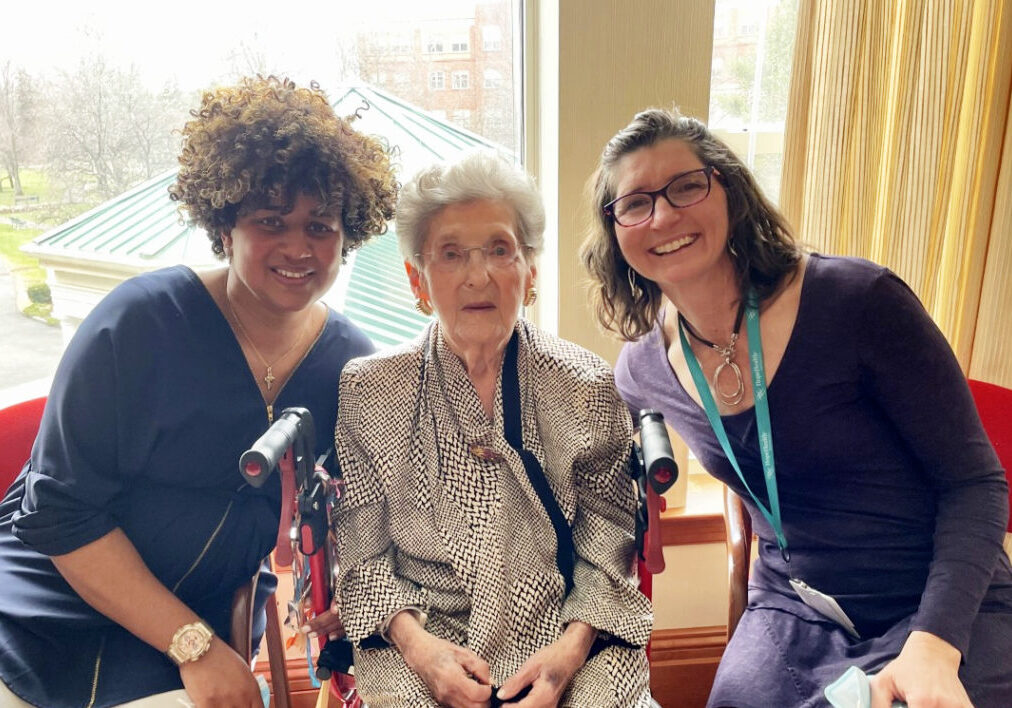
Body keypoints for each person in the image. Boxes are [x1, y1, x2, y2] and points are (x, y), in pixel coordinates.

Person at [580, 106, 1012, 708]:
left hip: (936, 599)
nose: (664, 216)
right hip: (796, 604)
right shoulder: (643, 369)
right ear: (615, 231)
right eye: (635, 203)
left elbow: (976, 483)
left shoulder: (859, 301)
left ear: (729, 190)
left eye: (686, 186)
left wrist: (935, 644)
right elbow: (591, 472)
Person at [0, 75, 397, 708]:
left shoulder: (350, 363)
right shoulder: (140, 323)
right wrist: (194, 644)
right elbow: (59, 512)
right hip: (43, 608)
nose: (299, 247)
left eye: (320, 226)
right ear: (224, 226)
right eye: (271, 221)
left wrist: (353, 596)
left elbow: (365, 509)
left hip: (194, 622)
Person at [334, 151, 653, 707]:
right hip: (424, 636)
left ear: (529, 271)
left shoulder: (584, 385)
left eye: (500, 250)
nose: (478, 276)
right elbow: (363, 558)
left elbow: (610, 542)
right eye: (451, 254)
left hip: (568, 628)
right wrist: (421, 651)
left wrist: (567, 656)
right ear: (418, 278)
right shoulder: (369, 390)